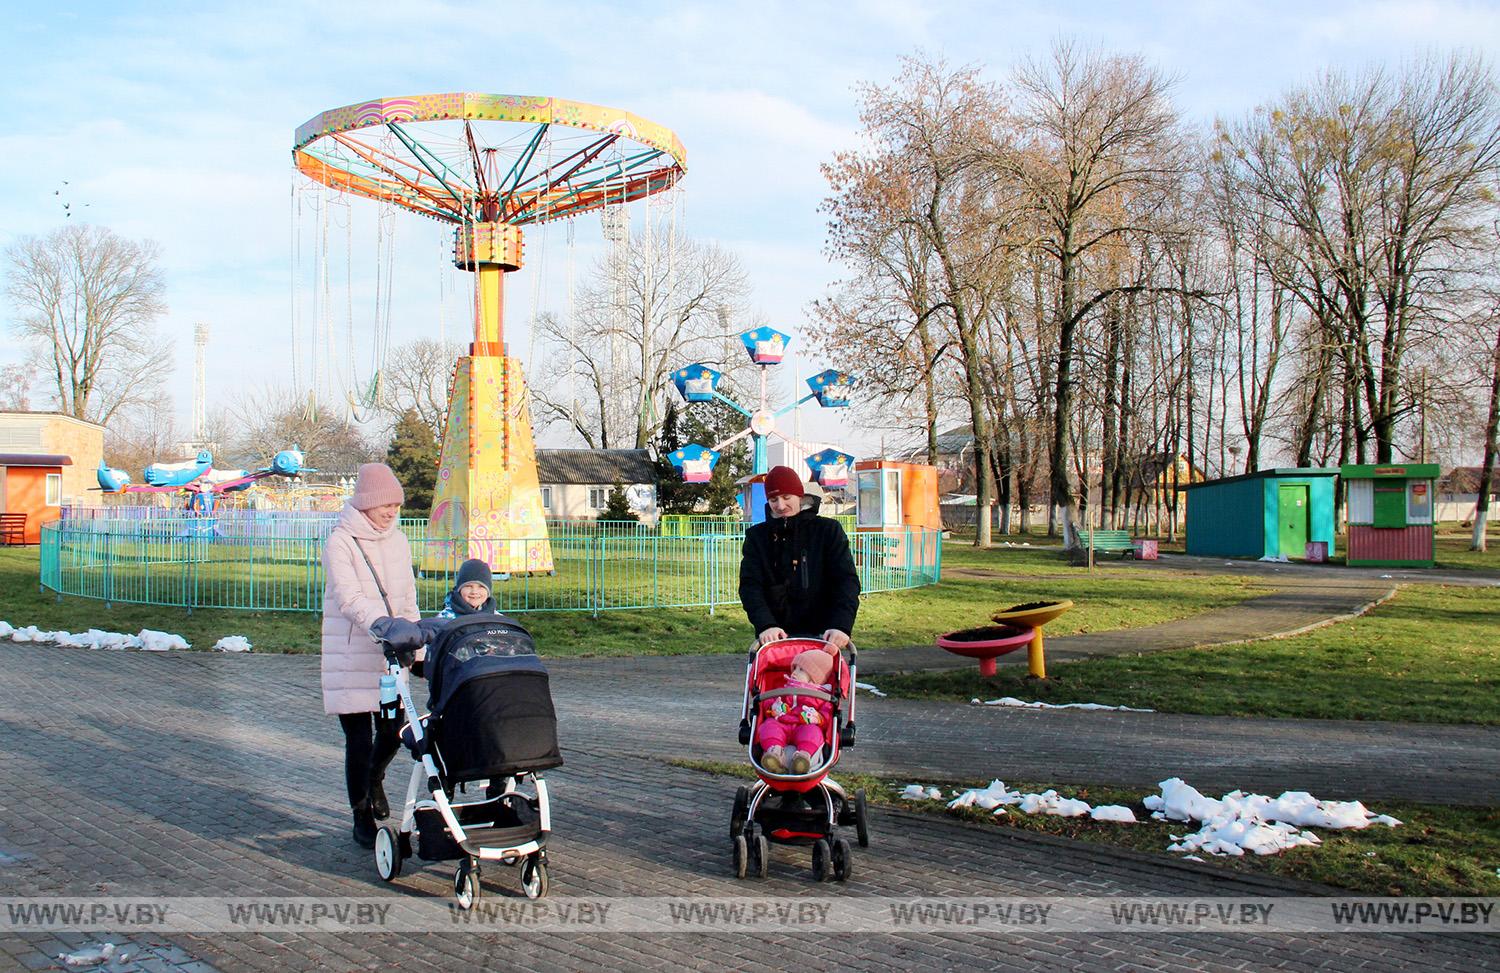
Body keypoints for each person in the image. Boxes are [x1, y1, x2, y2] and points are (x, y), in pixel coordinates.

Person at [320, 462, 420, 849]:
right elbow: (349, 598)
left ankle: (374, 776)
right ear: (365, 504)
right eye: (385, 506)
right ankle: (360, 813)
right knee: (358, 739)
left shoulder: (399, 539)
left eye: (396, 506)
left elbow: (408, 598)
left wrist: (413, 639)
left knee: (395, 731)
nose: (392, 513)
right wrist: (381, 626)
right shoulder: (340, 541)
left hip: (390, 655)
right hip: (351, 653)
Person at [739, 465, 860, 652]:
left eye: (787, 497)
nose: (780, 505)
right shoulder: (757, 537)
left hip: (824, 636)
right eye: (773, 499)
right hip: (776, 637)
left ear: (800, 495)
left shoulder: (828, 531)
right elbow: (750, 586)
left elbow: (846, 581)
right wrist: (765, 625)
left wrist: (841, 625)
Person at [756, 648, 835, 774]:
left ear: (815, 678)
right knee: (768, 726)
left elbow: (827, 714)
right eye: (795, 668)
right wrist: (773, 707)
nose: (794, 672)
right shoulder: (784, 689)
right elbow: (768, 702)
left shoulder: (821, 696)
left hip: (804, 724)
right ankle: (775, 753)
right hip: (781, 722)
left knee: (814, 732)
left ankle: (803, 757)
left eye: (801, 669)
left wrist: (818, 718)